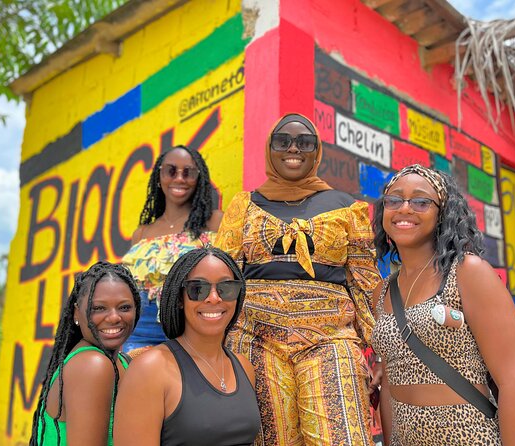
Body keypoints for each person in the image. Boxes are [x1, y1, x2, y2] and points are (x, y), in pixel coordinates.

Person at [215, 113, 380, 445]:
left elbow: (364, 282)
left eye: (305, 142)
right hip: (255, 337)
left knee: (341, 436)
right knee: (272, 438)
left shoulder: (347, 207)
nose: (294, 148)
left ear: (317, 150)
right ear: (270, 149)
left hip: (331, 336)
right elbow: (223, 274)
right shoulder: (243, 206)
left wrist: (380, 351)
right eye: (283, 141)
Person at [371, 164, 515, 445]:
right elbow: (389, 386)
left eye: (421, 201)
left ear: (442, 214)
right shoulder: (383, 291)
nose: (405, 208)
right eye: (394, 200)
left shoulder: (467, 273)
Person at [113, 246, 261, 445]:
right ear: (180, 298)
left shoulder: (244, 368)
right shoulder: (151, 369)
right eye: (198, 289)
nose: (214, 297)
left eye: (226, 288)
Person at [122, 144, 222, 353]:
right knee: (137, 383)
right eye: (170, 171)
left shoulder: (214, 222)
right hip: (141, 330)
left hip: (190, 327)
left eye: (188, 172)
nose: (179, 178)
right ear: (159, 177)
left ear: (199, 179)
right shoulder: (141, 234)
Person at [29, 261, 141, 446]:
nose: (114, 317)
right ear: (76, 313)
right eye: (98, 308)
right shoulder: (92, 365)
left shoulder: (122, 362)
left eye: (124, 307)